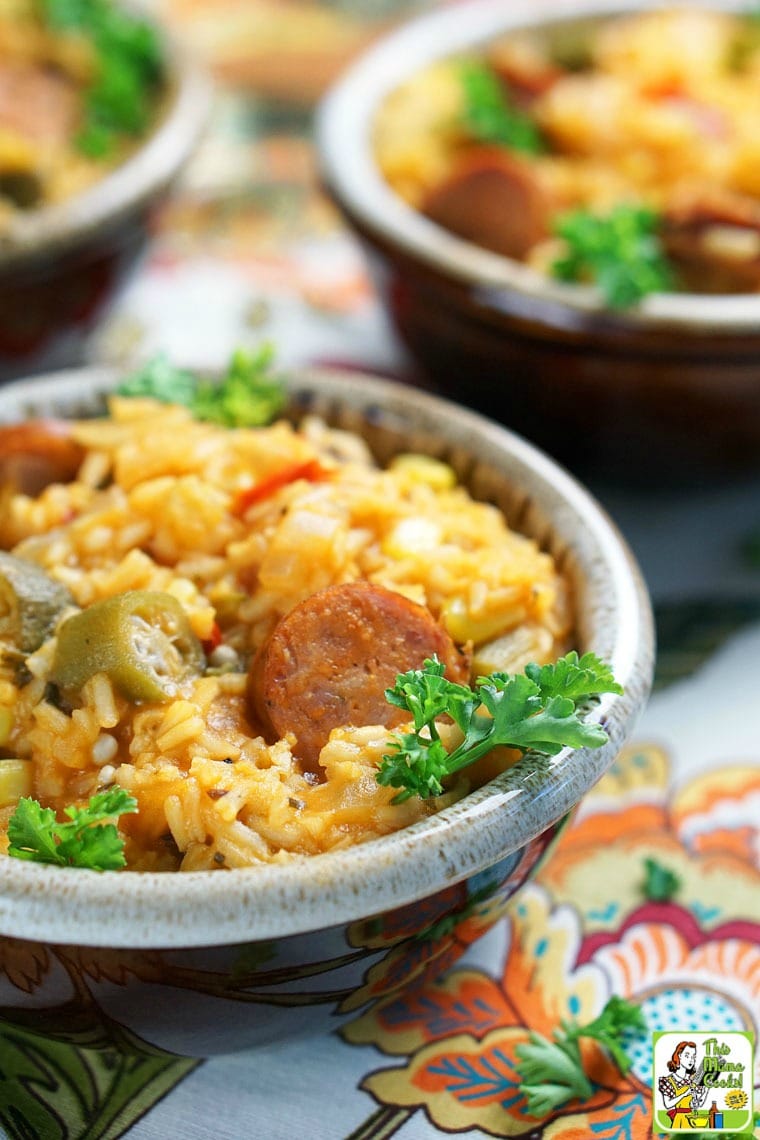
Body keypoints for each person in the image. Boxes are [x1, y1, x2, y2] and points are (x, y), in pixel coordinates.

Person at [658, 1041, 708, 1128]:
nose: (691, 1060)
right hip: (679, 1120)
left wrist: (706, 1089)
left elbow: (697, 1104)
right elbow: (667, 1105)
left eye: (693, 1057)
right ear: (679, 1055)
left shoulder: (692, 1080)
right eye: (687, 1056)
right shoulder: (667, 1081)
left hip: (691, 1120)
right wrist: (684, 1094)